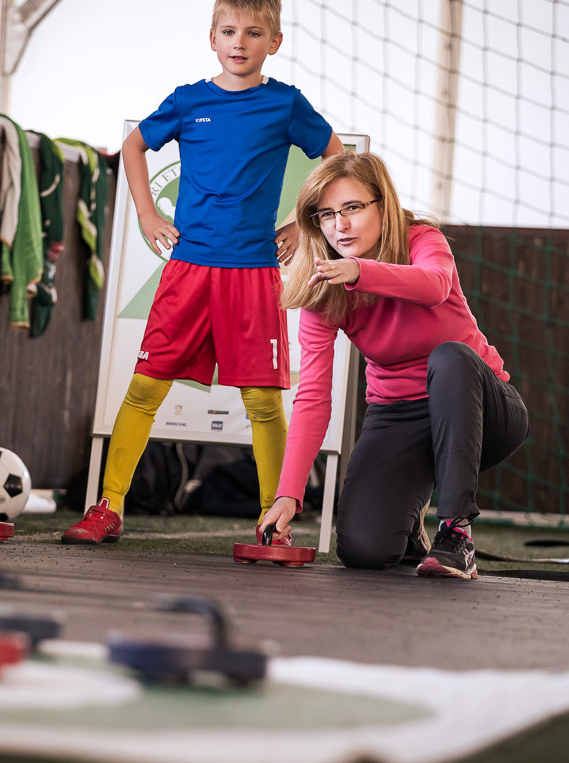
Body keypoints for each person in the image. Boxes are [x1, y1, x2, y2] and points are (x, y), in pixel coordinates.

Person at [62, 0, 344, 544]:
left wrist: (304, 223)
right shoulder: (188, 100)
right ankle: (108, 506)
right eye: (229, 31)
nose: (240, 42)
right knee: (145, 388)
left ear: (274, 43)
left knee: (263, 402)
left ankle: (273, 522)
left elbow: (336, 160)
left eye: (254, 33)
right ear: (212, 38)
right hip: (188, 269)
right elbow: (134, 145)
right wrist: (147, 213)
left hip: (253, 273)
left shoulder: (286, 104)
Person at [258, 152, 530, 579]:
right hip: (400, 416)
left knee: (450, 356)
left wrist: (359, 271)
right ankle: (408, 531)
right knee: (363, 550)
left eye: (352, 208)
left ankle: (456, 533)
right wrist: (287, 495)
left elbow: (434, 285)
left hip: (482, 412)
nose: (340, 225)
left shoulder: (422, 239)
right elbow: (312, 397)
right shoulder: (323, 288)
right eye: (327, 214)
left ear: (383, 205)